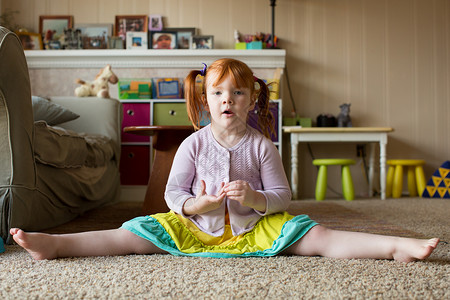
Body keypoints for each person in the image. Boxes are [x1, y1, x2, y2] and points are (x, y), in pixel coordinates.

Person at [10, 58, 439, 262]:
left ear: (252, 99)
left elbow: (283, 197)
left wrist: (255, 197)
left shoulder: (262, 146)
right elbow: (173, 193)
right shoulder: (193, 145)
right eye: (217, 93)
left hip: (256, 228)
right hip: (196, 226)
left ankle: (395, 247)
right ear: (205, 99)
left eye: (236, 92)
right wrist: (197, 205)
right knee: (132, 234)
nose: (226, 100)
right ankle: (57, 245)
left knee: (317, 236)